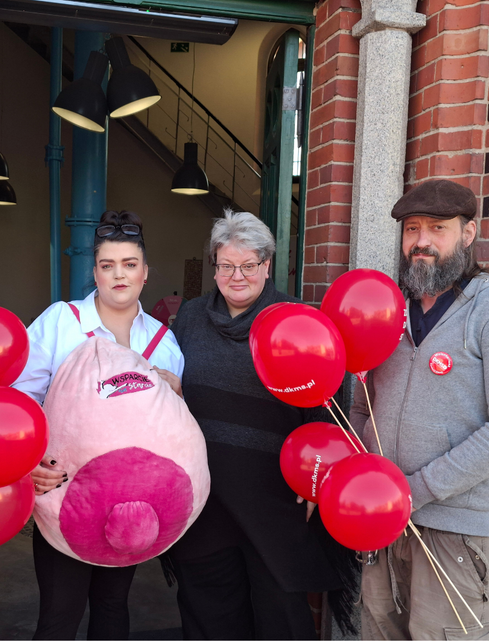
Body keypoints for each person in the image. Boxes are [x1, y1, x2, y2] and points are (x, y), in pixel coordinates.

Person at [348, 179, 489, 640]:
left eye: (438, 228)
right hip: (380, 529)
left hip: (452, 539)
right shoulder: (388, 309)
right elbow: (361, 403)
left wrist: (417, 490)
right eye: (412, 229)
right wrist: (359, 480)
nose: (422, 241)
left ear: (468, 233)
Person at [164, 211, 357, 640]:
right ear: (214, 266)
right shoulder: (191, 319)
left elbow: (326, 405)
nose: (237, 276)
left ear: (267, 266)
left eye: (248, 265)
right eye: (227, 265)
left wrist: (317, 480)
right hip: (205, 496)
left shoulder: (295, 321)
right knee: (209, 613)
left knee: (280, 616)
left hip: (273, 496)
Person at [12, 209, 184, 640]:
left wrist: (179, 396)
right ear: (95, 272)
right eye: (107, 266)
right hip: (63, 493)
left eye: (129, 265)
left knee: (112, 607)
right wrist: (24, 461)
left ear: (145, 273)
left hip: (131, 505)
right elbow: (19, 399)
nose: (118, 276)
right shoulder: (61, 322)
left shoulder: (164, 344)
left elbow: (179, 433)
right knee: (58, 614)